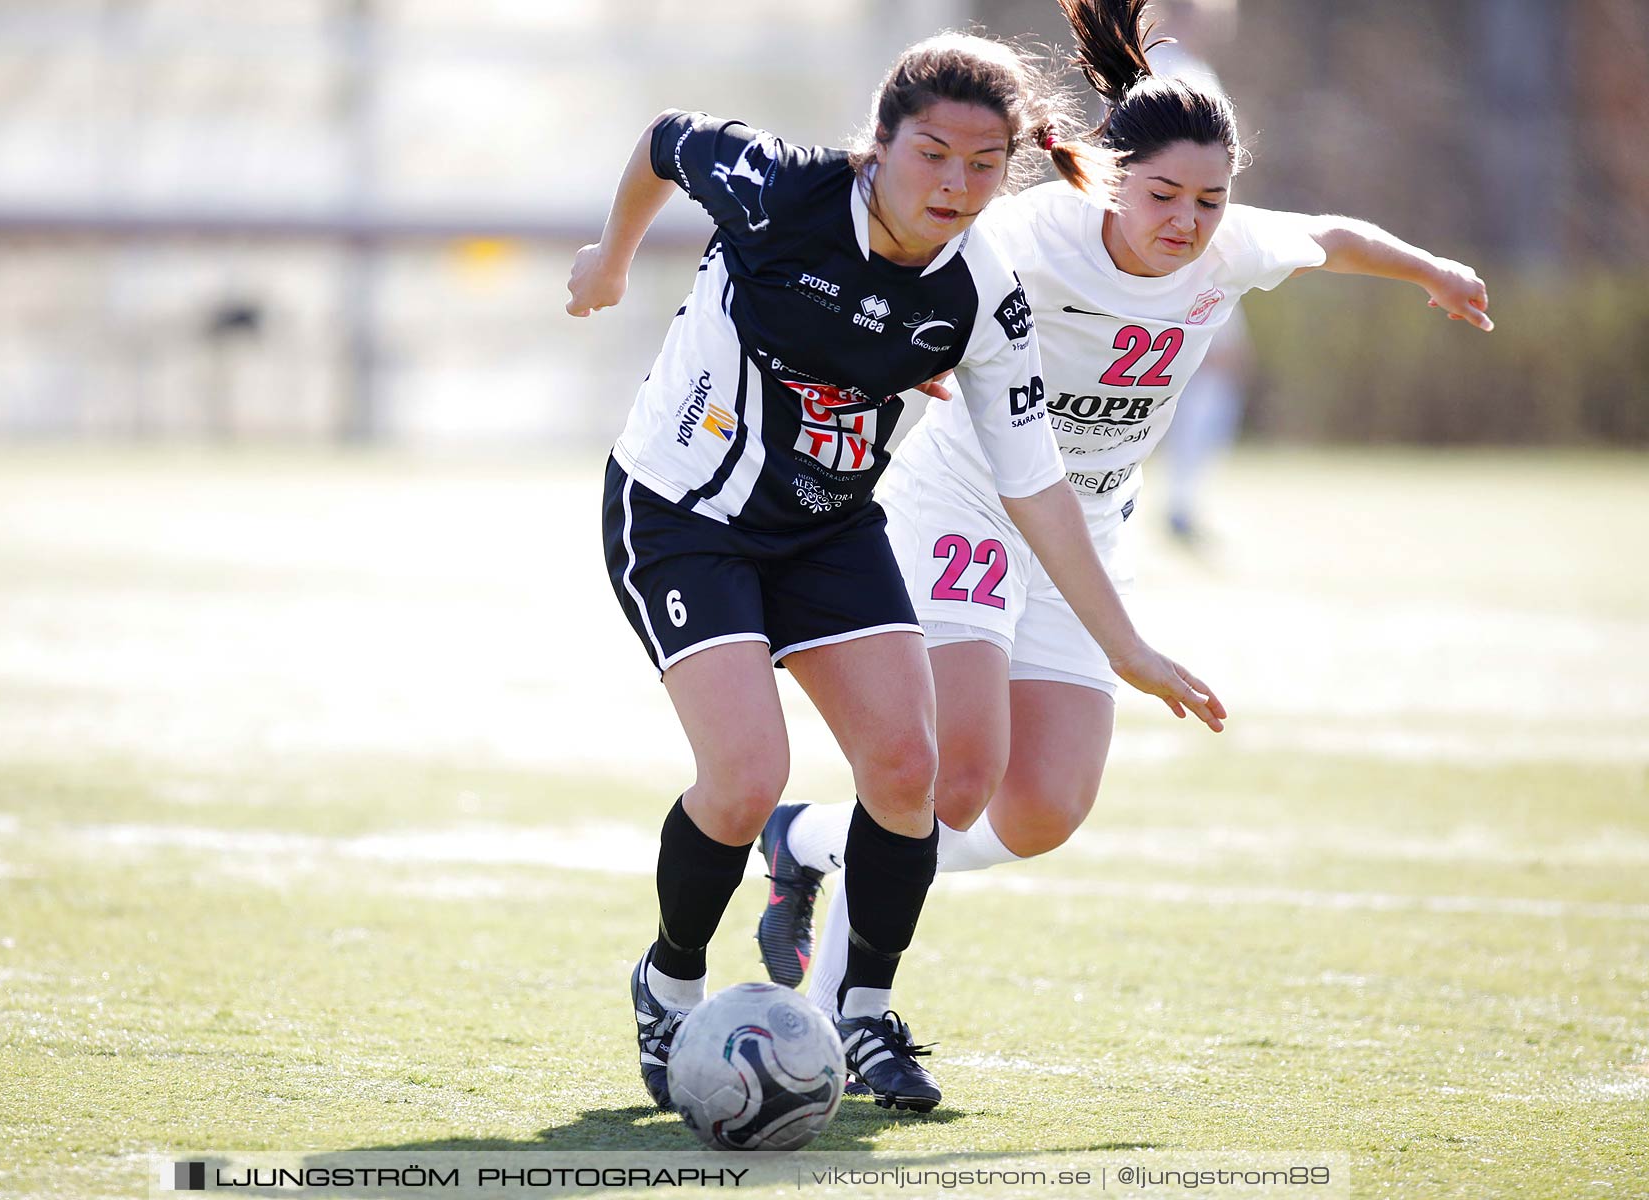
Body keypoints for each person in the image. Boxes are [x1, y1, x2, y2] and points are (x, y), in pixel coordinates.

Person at [753, 0, 1493, 1041]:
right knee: (954, 781)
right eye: (1162, 195)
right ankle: (848, 1017)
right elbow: (907, 269)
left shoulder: (1225, 248)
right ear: (1108, 177)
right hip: (967, 502)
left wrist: (1430, 269)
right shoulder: (1027, 235)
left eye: (1209, 198)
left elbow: (1328, 235)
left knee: (1043, 811)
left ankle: (811, 843)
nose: (1187, 220)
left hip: (1088, 529)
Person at [567, 31, 1225, 1113]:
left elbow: (1037, 486)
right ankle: (668, 978)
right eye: (933, 154)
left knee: (911, 773)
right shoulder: (781, 190)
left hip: (828, 530)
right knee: (744, 783)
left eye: (983, 163)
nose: (956, 184)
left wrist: (1127, 648)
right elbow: (662, 142)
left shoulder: (980, 294)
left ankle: (862, 1009)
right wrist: (611, 257)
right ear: (879, 144)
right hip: (686, 515)